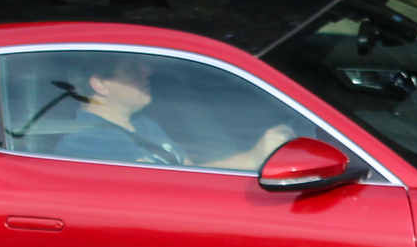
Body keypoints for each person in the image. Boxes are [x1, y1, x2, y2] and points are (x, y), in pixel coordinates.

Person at [54, 55, 296, 169]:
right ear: (100, 84)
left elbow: (190, 172)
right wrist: (252, 159)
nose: (146, 71)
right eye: (131, 70)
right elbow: (176, 192)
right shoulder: (90, 142)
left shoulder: (143, 124)